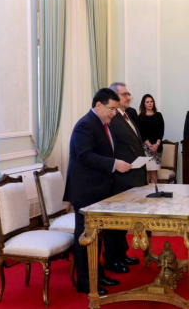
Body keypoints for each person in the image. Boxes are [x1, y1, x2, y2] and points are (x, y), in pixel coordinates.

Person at [63, 88, 132, 295]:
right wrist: (114, 164)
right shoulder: (85, 125)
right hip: (86, 191)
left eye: (116, 109)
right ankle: (85, 282)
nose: (114, 113)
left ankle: (97, 273)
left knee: (97, 236)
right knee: (85, 237)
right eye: (112, 109)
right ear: (99, 105)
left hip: (100, 189)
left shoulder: (103, 123)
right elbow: (84, 155)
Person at [105, 82, 146, 273]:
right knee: (116, 221)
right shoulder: (112, 119)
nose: (129, 97)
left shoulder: (127, 115)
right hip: (121, 177)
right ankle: (112, 258)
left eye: (129, 94)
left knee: (123, 222)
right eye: (125, 94)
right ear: (114, 98)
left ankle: (122, 254)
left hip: (133, 174)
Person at [137, 94, 165, 184]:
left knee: (154, 171)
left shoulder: (158, 115)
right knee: (147, 171)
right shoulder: (140, 117)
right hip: (145, 148)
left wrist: (156, 145)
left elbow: (161, 131)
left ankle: (154, 192)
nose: (150, 103)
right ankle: (147, 193)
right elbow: (141, 134)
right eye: (147, 102)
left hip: (157, 147)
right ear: (144, 104)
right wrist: (150, 146)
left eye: (151, 101)